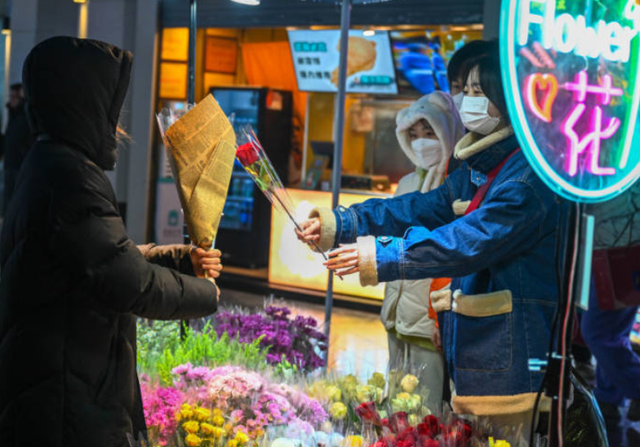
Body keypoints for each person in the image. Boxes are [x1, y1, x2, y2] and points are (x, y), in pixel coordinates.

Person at [297, 50, 560, 434]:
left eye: (476, 90)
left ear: (508, 100)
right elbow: (419, 208)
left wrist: (379, 254)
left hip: (514, 354)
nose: (466, 101)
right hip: (477, 344)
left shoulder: (526, 180)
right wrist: (343, 222)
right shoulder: (481, 166)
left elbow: (465, 241)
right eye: (464, 89)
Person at [0, 37, 223, 446]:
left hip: (57, 383)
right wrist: (205, 293)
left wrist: (176, 258)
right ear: (83, 104)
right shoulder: (69, 179)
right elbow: (128, 282)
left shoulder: (49, 163)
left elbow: (99, 257)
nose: (117, 123)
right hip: (67, 398)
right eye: (110, 108)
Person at [382, 91, 464, 411]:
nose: (420, 143)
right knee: (396, 408)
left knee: (427, 413)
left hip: (430, 325)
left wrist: (440, 320)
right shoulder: (404, 185)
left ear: (446, 132)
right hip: (397, 315)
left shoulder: (456, 187)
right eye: (413, 136)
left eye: (429, 133)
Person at [582, 182, 640, 425]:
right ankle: (608, 396)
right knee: (611, 331)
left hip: (621, 245)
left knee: (598, 332)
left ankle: (631, 386)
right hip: (612, 242)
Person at [0, 83, 34, 213]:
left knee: (17, 201)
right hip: (10, 164)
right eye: (11, 96)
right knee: (9, 200)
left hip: (20, 165)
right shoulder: (12, 115)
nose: (11, 99)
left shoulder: (24, 116)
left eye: (15, 96)